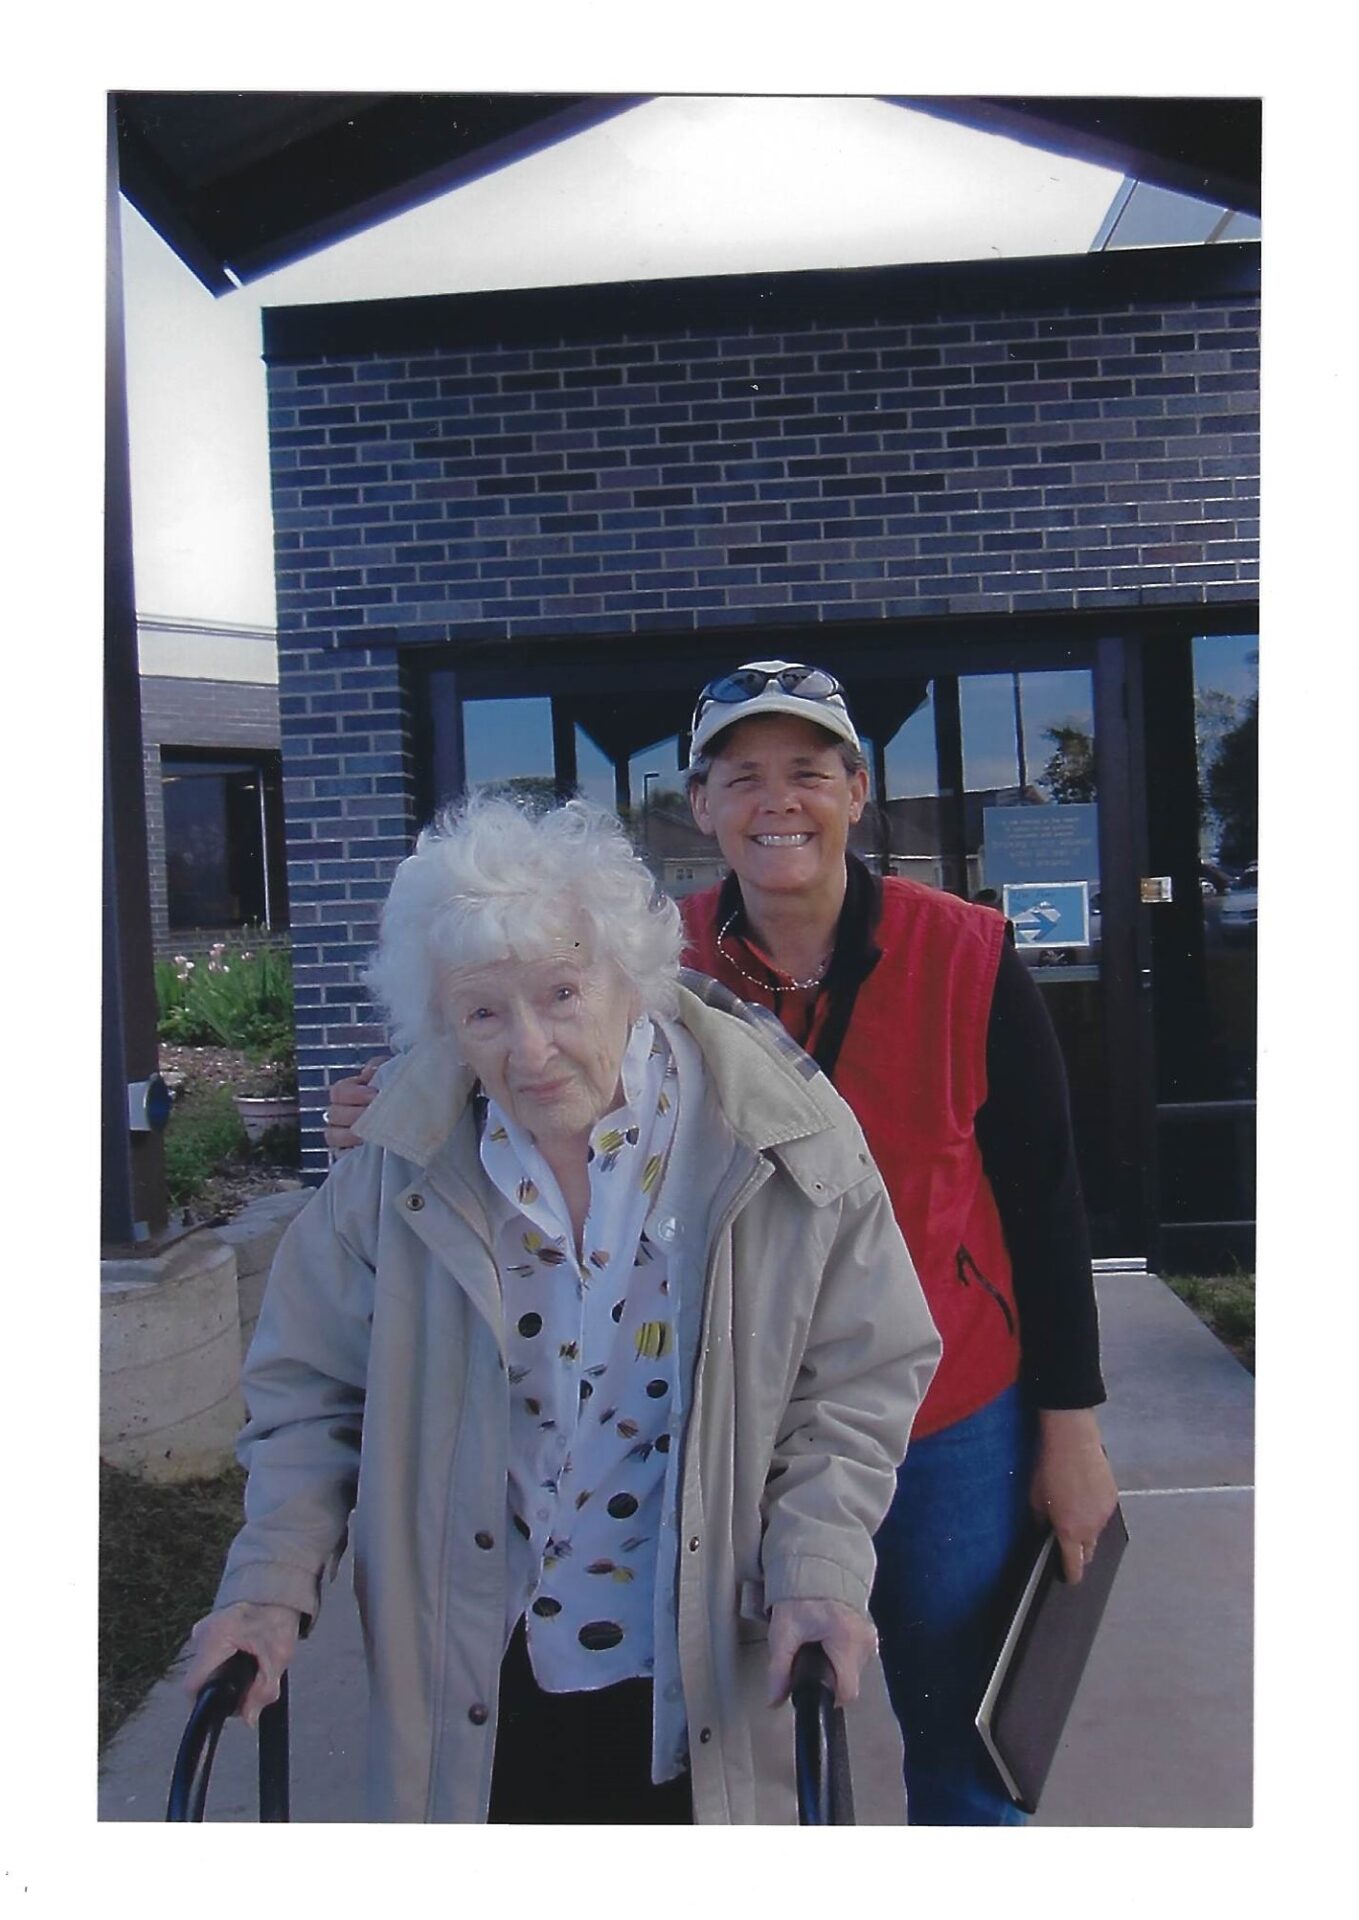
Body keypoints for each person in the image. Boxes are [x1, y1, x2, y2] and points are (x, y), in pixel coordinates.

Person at [327, 659, 1120, 1826]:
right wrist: (401, 1104)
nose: (776, 801)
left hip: (946, 1418)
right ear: (700, 806)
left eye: (808, 772)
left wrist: (1071, 1431)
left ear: (857, 792)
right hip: (732, 1429)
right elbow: (515, 1047)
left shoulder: (968, 951)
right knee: (775, 1748)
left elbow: (1046, 1204)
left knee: (964, 1744)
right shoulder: (651, 960)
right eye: (741, 777)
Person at [187, 794, 940, 1824]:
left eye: (561, 994)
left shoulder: (777, 1140)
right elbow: (309, 1395)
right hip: (478, 1676)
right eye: (484, 1014)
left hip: (705, 1671)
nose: (531, 1049)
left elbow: (856, 1378)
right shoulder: (395, 1171)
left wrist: (818, 1564)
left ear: (630, 977)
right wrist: (269, 1585)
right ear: (443, 1025)